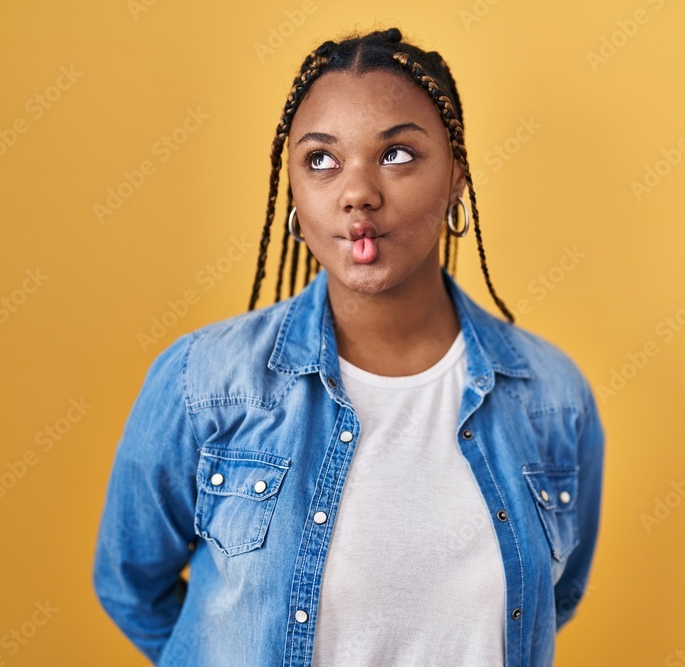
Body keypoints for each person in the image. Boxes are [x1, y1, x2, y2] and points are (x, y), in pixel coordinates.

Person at [93, 26, 604, 667]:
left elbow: (557, 597)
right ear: (295, 197)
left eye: (396, 155)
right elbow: (130, 583)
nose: (357, 191)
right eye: (322, 161)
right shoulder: (205, 382)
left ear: (456, 181)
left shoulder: (552, 397)